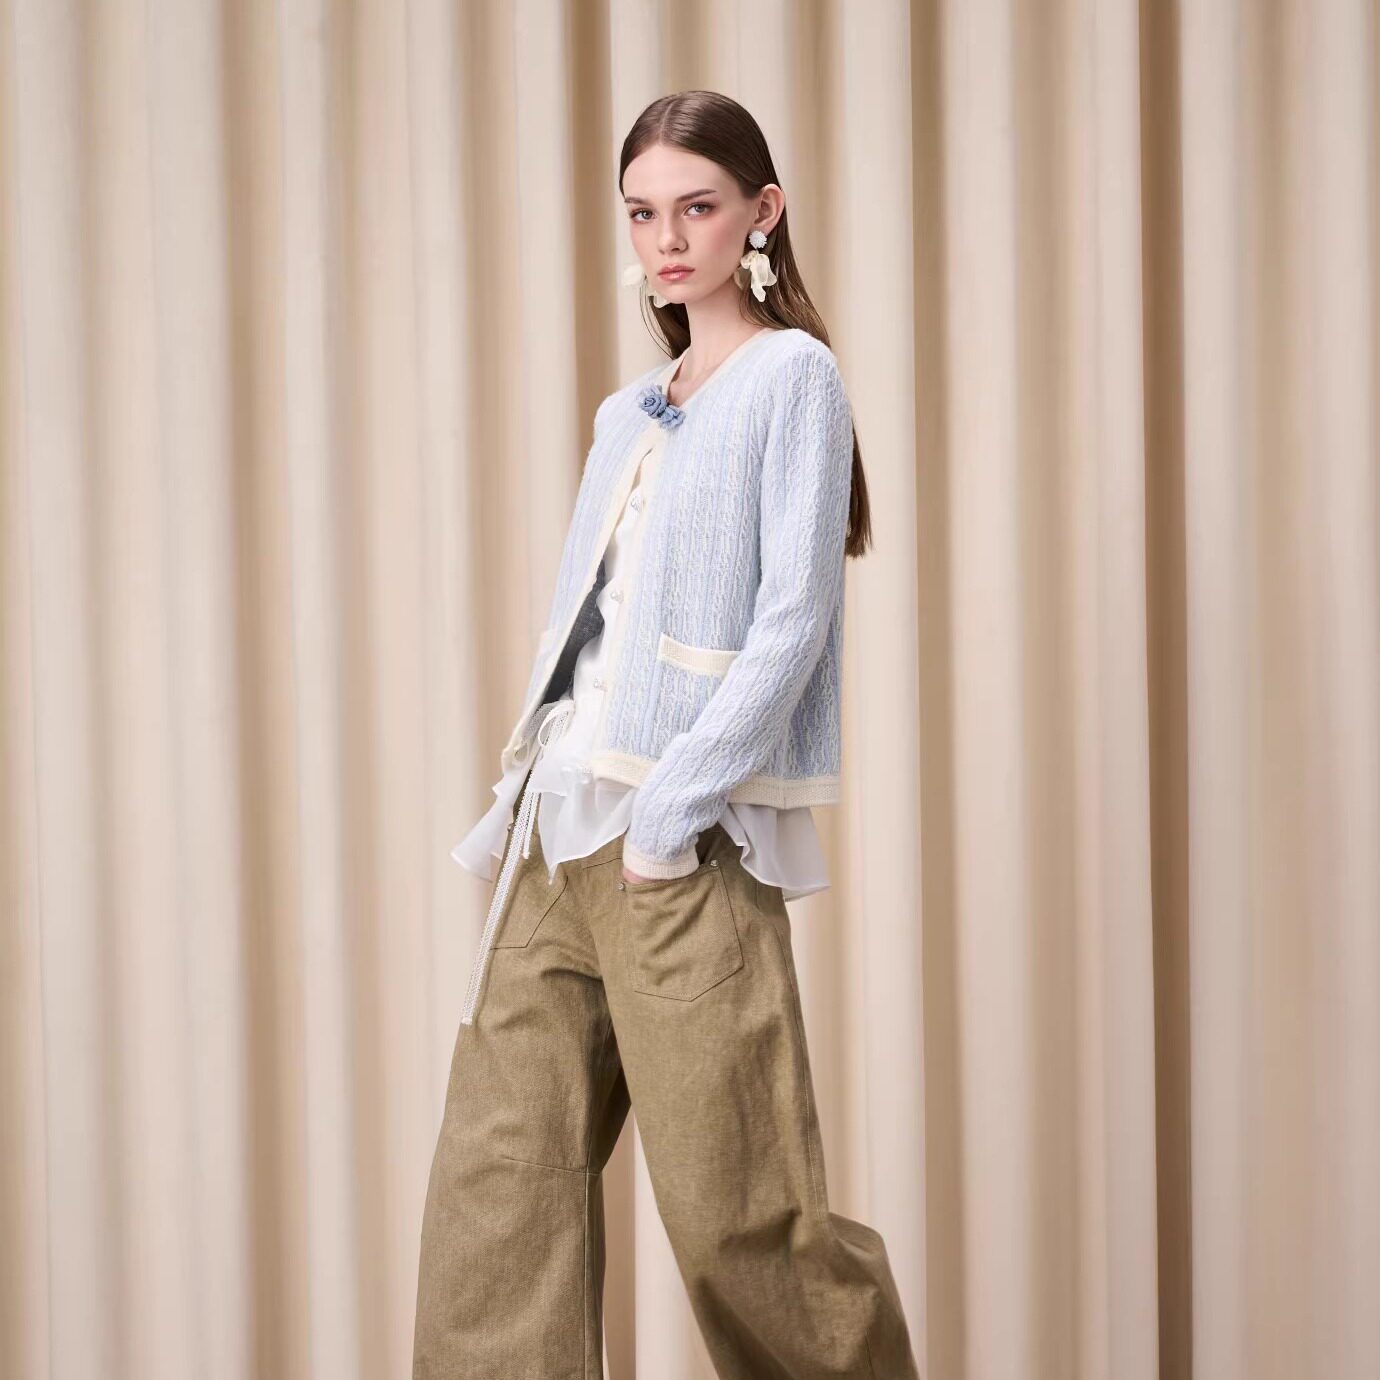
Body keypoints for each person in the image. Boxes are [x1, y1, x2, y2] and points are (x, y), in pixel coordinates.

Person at [413, 89, 922, 1379]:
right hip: (554, 838)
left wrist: (669, 815)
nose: (668, 239)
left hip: (677, 850)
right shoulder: (627, 412)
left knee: (741, 1224)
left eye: (697, 208)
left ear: (762, 212)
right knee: (496, 1202)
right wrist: (525, 791)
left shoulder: (793, 378)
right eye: (643, 214)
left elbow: (794, 617)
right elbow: (591, 624)